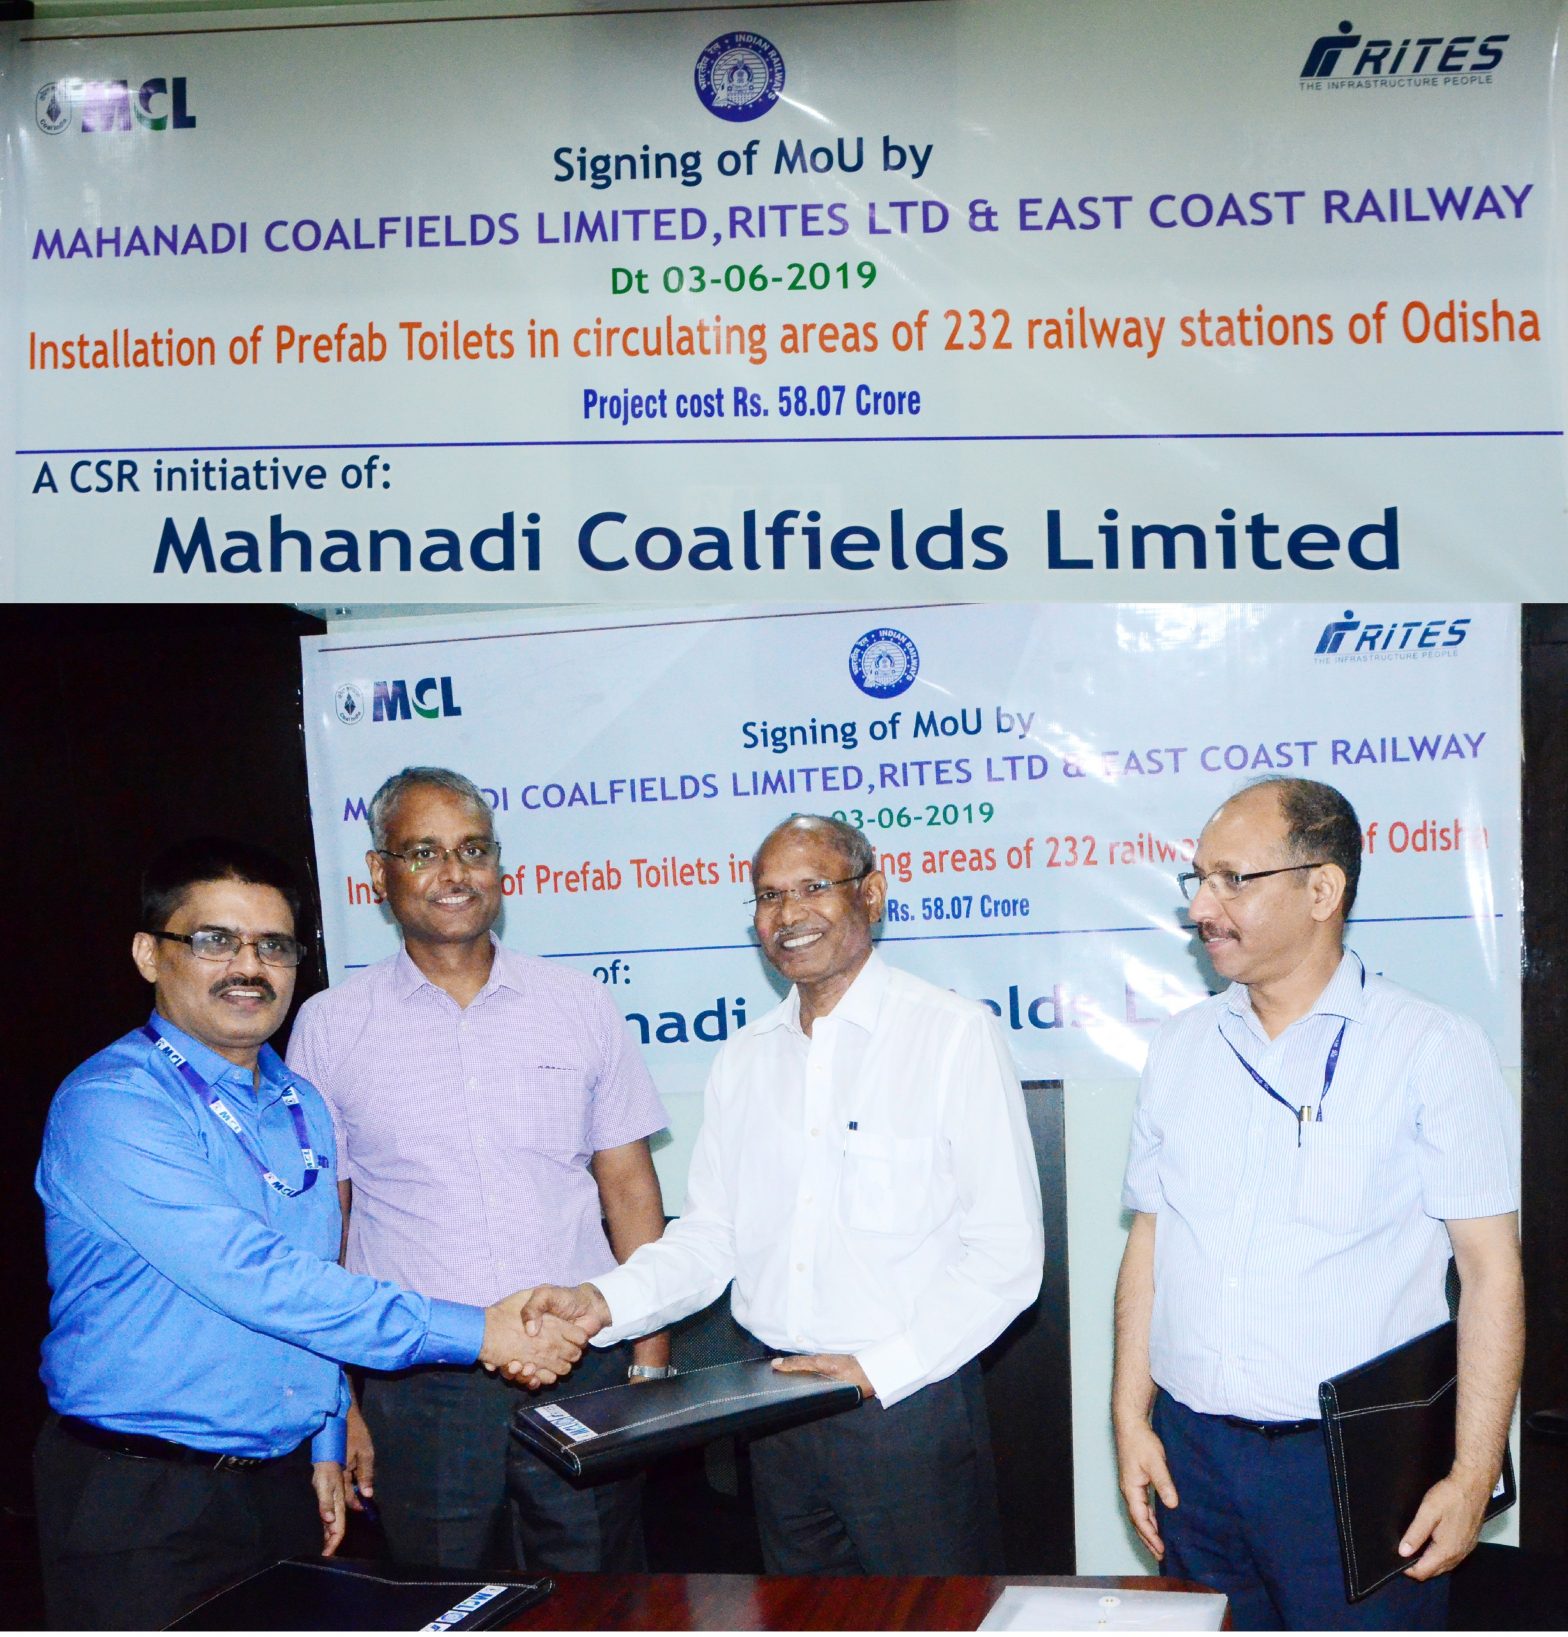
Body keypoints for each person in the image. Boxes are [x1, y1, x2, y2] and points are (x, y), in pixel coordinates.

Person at [33, 837, 582, 1632]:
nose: (248, 966)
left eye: (274, 945)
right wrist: (483, 1331)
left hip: (280, 1485)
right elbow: (258, 1277)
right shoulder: (113, 1104)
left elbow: (316, 1266)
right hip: (143, 1499)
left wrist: (324, 1437)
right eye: (216, 939)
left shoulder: (300, 1102)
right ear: (150, 954)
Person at [519, 813, 1045, 1574]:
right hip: (772, 1412)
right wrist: (601, 1302)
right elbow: (712, 1237)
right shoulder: (745, 1058)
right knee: (803, 1620)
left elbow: (1006, 1257)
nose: (789, 913)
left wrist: (879, 1368)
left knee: (931, 1621)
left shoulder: (952, 1036)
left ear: (871, 893)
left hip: (906, 1409)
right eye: (769, 895)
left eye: (812, 887)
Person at [1112, 778, 1522, 1631]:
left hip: (1353, 1467)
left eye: (1233, 879)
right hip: (1194, 1461)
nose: (1201, 908)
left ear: (1322, 889)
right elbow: (1150, 1238)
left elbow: (1491, 1273)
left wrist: (1472, 1470)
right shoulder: (1180, 1048)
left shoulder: (1433, 1048)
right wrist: (1130, 1416)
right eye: (1198, 880)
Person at [286, 767, 670, 1574]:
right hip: (421, 1388)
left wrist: (650, 1360)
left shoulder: (579, 1003)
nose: (453, 872)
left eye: (472, 849)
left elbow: (631, 1187)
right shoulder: (330, 1026)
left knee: (600, 1605)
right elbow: (325, 1227)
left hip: (586, 1367)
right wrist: (339, 1402)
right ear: (378, 873)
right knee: (447, 1603)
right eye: (423, 851)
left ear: (499, 865)